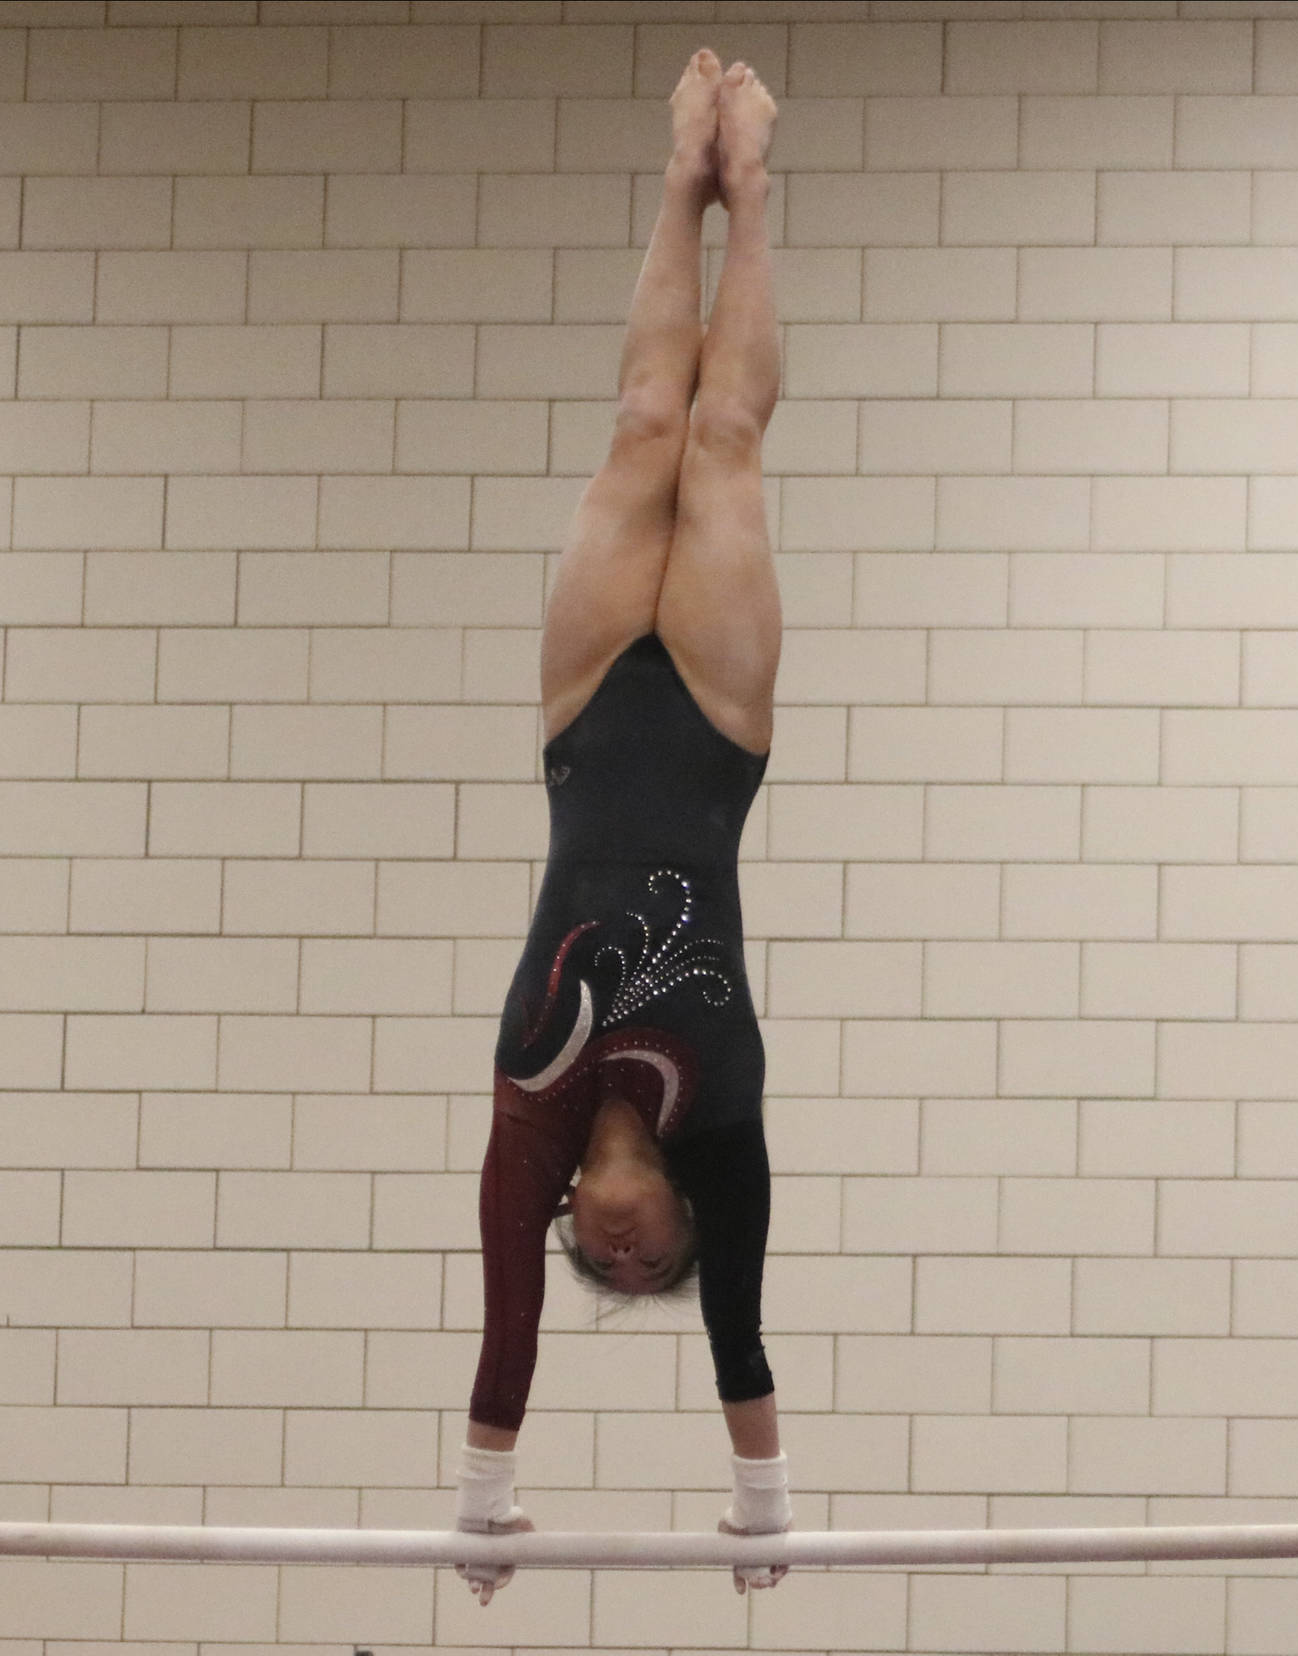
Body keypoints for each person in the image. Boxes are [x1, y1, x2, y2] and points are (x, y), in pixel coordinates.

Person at [452, 53, 789, 1603]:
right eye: (656, 1260)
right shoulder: (721, 1119)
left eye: (609, 1256)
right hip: (716, 735)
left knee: (644, 414)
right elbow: (747, 1329)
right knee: (717, 442)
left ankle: (677, 179)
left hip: (585, 718)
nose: (624, 1252)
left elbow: (505, 1319)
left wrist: (483, 1502)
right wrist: (761, 1510)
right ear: (682, 1216)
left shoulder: (531, 1115)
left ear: (585, 1217)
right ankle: (752, 189)